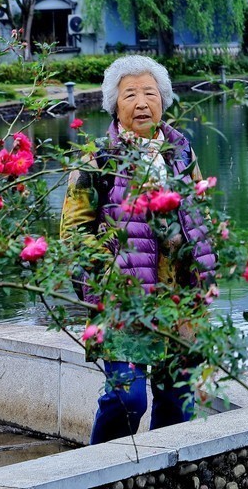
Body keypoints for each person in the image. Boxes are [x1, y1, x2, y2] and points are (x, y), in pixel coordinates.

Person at [61, 54, 216, 444]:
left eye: (150, 93)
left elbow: (202, 213)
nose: (142, 103)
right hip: (123, 302)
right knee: (126, 399)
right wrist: (98, 286)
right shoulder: (99, 158)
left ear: (163, 100)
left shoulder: (182, 153)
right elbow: (73, 234)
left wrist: (206, 267)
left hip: (180, 300)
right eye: (130, 95)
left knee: (177, 401)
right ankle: (98, 473)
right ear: (115, 104)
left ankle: (160, 475)